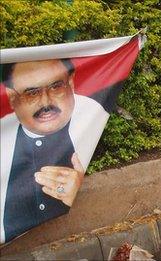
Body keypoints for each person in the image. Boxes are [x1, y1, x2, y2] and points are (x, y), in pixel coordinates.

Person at [0, 59, 109, 243]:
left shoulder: (97, 113)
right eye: (32, 92)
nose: (46, 102)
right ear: (11, 97)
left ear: (71, 83)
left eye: (56, 86)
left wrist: (75, 193)